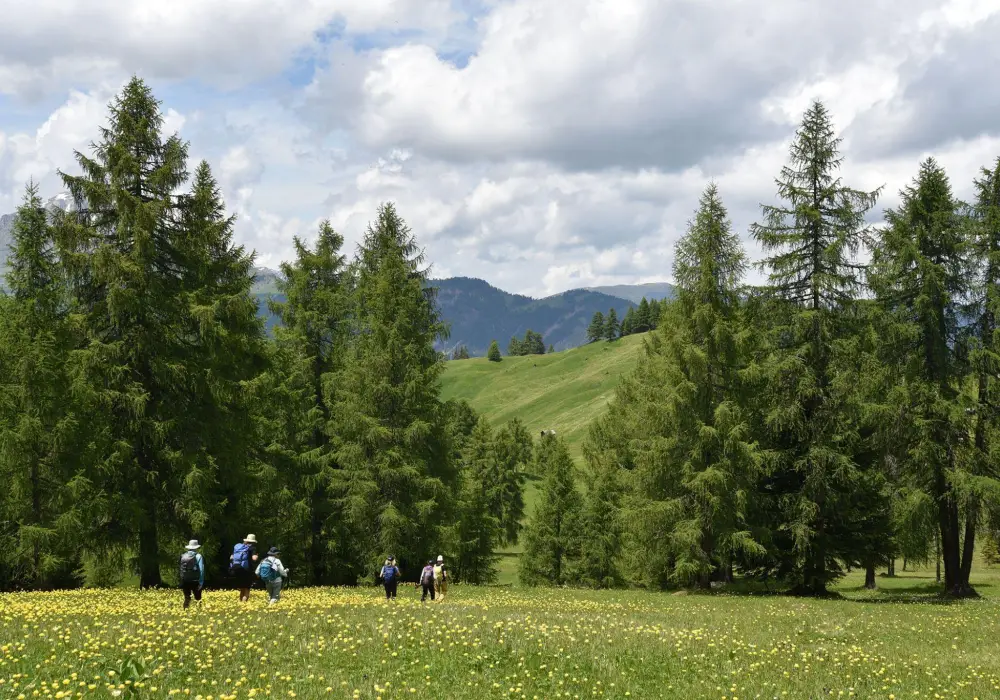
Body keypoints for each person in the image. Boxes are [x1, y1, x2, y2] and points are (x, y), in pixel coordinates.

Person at [230, 533, 259, 602]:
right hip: (246, 570)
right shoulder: (252, 547)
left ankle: (240, 603)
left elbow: (231, 557)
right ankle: (244, 605)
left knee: (242, 588)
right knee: (247, 589)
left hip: (237, 569)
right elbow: (254, 558)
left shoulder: (240, 547)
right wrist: (257, 556)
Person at [179, 540, 205, 609]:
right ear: (196, 547)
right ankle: (199, 613)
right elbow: (201, 570)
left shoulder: (183, 556)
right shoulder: (198, 556)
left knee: (187, 598)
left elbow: (181, 569)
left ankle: (184, 613)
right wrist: (201, 582)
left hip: (185, 580)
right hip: (195, 581)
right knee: (198, 598)